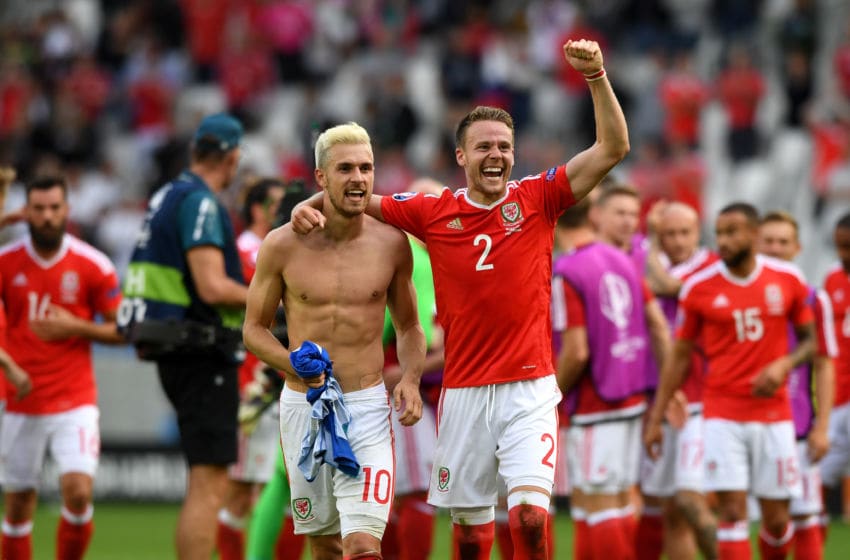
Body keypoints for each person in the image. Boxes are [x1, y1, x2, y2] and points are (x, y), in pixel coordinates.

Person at [293, 38, 629, 560]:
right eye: (484, 147)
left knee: (530, 520)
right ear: (461, 156)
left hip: (530, 389)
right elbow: (354, 195)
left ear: (513, 154)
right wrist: (304, 208)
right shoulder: (432, 211)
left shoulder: (538, 198)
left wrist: (596, 77)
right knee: (472, 537)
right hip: (465, 393)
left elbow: (612, 149)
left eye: (504, 147)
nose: (495, 156)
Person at [243, 121, 426, 560]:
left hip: (366, 407)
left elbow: (409, 327)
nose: (359, 178)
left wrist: (412, 379)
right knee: (324, 543)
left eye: (366, 168)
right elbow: (253, 329)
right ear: (321, 177)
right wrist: (295, 366)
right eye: (345, 168)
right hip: (303, 408)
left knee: (363, 546)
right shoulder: (282, 244)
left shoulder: (392, 244)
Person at [645, 202, 815, 559]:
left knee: (777, 521)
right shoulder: (699, 288)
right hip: (721, 414)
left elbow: (812, 340)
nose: (723, 240)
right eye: (719, 232)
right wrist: (658, 415)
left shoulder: (787, 279)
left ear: (753, 235)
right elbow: (679, 356)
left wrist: (784, 364)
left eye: (732, 232)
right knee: (732, 513)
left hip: (774, 414)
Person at [119, 113, 249, 560]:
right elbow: (212, 286)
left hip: (172, 344)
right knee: (210, 481)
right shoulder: (202, 202)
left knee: (204, 478)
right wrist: (271, 301)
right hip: (201, 349)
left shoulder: (166, 194)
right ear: (232, 157)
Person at [0, 176, 125, 560]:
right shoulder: (6, 263)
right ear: (27, 213)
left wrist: (77, 327)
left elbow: (124, 330)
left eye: (55, 208)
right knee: (19, 504)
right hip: (19, 400)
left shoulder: (93, 264)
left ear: (67, 210)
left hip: (74, 400)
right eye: (38, 209)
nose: (47, 216)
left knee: (78, 491)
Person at [551, 197, 670, 560]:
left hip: (594, 403)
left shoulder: (567, 270)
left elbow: (577, 351)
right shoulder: (624, 260)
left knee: (598, 502)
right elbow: (659, 327)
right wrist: (666, 391)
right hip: (631, 399)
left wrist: (548, 397)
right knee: (612, 501)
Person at [640, 201, 719, 560]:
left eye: (683, 232)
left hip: (699, 401)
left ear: (697, 232)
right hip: (659, 398)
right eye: (668, 233)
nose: (676, 241)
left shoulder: (709, 267)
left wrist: (652, 240)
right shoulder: (655, 263)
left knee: (691, 501)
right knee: (671, 509)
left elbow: (666, 284)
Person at [757, 210, 835, 559]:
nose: (775, 248)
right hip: (744, 422)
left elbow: (824, 363)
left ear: (797, 248)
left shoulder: (814, 299)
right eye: (768, 241)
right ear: (756, 244)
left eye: (783, 242)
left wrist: (823, 428)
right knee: (752, 519)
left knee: (805, 515)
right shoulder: (736, 293)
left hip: (797, 426)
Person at [216, 177, 287, 560]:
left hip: (279, 381)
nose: (286, 210)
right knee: (243, 490)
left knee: (281, 489)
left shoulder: (284, 246)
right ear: (258, 209)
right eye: (277, 204)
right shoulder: (246, 251)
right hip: (253, 385)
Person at [380, 178, 445, 560]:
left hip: (423, 391)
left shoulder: (425, 259)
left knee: (397, 489)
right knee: (416, 489)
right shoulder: (415, 259)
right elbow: (421, 335)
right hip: (409, 391)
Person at [819, 212, 850, 535]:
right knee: (819, 474)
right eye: (840, 246)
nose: (844, 255)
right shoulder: (832, 277)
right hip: (838, 392)